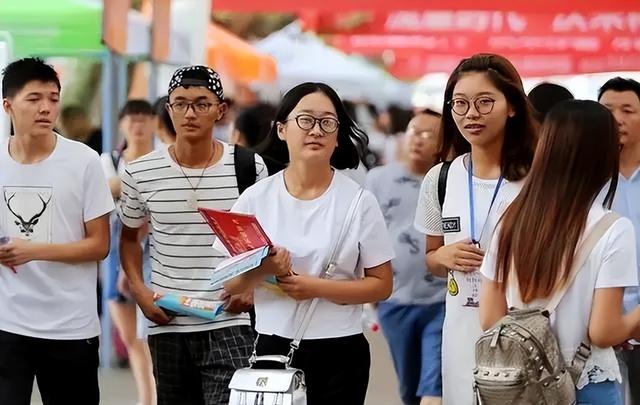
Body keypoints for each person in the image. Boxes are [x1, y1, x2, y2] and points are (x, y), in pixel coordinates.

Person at [219, 82, 394, 405]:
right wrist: (267, 268)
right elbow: (231, 282)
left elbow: (381, 285)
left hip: (341, 350)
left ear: (338, 134)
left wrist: (314, 288)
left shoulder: (358, 201)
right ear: (282, 129)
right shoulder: (255, 199)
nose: (316, 130)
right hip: (273, 347)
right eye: (306, 120)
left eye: (327, 122)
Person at [118, 65, 267, 405]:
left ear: (221, 110)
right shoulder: (140, 172)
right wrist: (141, 292)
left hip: (230, 319)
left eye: (201, 103)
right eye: (180, 103)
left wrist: (251, 286)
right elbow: (129, 238)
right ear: (168, 110)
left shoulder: (248, 167)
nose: (189, 112)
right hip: (167, 320)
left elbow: (265, 241)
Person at [479, 100, 640, 404]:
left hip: (520, 387)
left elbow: (490, 317)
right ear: (603, 155)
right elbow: (604, 332)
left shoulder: (511, 219)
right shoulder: (612, 228)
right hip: (586, 385)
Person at [413, 53, 538, 404]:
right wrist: (444, 255)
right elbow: (431, 258)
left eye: (485, 102)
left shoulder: (537, 179)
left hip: (522, 330)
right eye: (461, 103)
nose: (471, 114)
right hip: (460, 332)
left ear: (512, 106)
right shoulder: (440, 178)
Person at [0, 58, 113, 404]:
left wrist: (32, 250)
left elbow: (99, 245)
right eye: (34, 99)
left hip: (71, 328)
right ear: (8, 106)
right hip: (8, 325)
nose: (46, 108)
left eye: (53, 98)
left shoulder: (84, 161)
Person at [366, 109, 446, 405]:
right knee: (409, 387)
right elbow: (367, 236)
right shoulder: (378, 179)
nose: (419, 140)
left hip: (440, 300)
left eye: (429, 135)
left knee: (433, 383)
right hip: (394, 301)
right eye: (415, 131)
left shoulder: (448, 182)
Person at [100, 99, 156, 405]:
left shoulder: (163, 159)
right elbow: (101, 191)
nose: (138, 126)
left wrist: (121, 187)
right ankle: (146, 398)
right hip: (115, 246)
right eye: (132, 120)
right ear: (122, 124)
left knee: (151, 334)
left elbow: (115, 191)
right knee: (131, 336)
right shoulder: (107, 160)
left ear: (154, 123)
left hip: (155, 250)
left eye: (144, 119)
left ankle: (150, 398)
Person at [599, 77, 640, 405]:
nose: (617, 119)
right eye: (607, 110)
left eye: (628, 110)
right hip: (597, 326)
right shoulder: (585, 181)